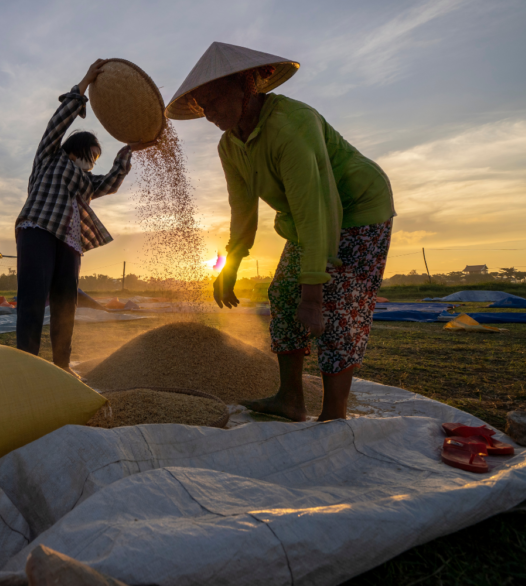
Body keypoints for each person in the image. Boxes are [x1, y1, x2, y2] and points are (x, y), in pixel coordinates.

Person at [166, 42, 395, 421]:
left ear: (247, 86)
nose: (209, 113)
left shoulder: (291, 124)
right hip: (307, 217)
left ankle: (333, 413)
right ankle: (290, 399)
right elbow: (242, 211)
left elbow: (316, 207)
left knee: (339, 306)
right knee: (283, 292)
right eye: (201, 106)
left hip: (358, 209)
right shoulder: (230, 146)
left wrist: (314, 297)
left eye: (214, 99)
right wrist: (229, 267)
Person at [15, 59, 149, 373]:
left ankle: (61, 368)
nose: (93, 165)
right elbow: (57, 124)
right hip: (39, 229)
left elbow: (111, 182)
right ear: (77, 151)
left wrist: (130, 149)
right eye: (92, 158)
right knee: (33, 299)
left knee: (66, 307)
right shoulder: (50, 158)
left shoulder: (86, 183)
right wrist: (85, 83)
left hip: (70, 243)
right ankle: (25, 368)